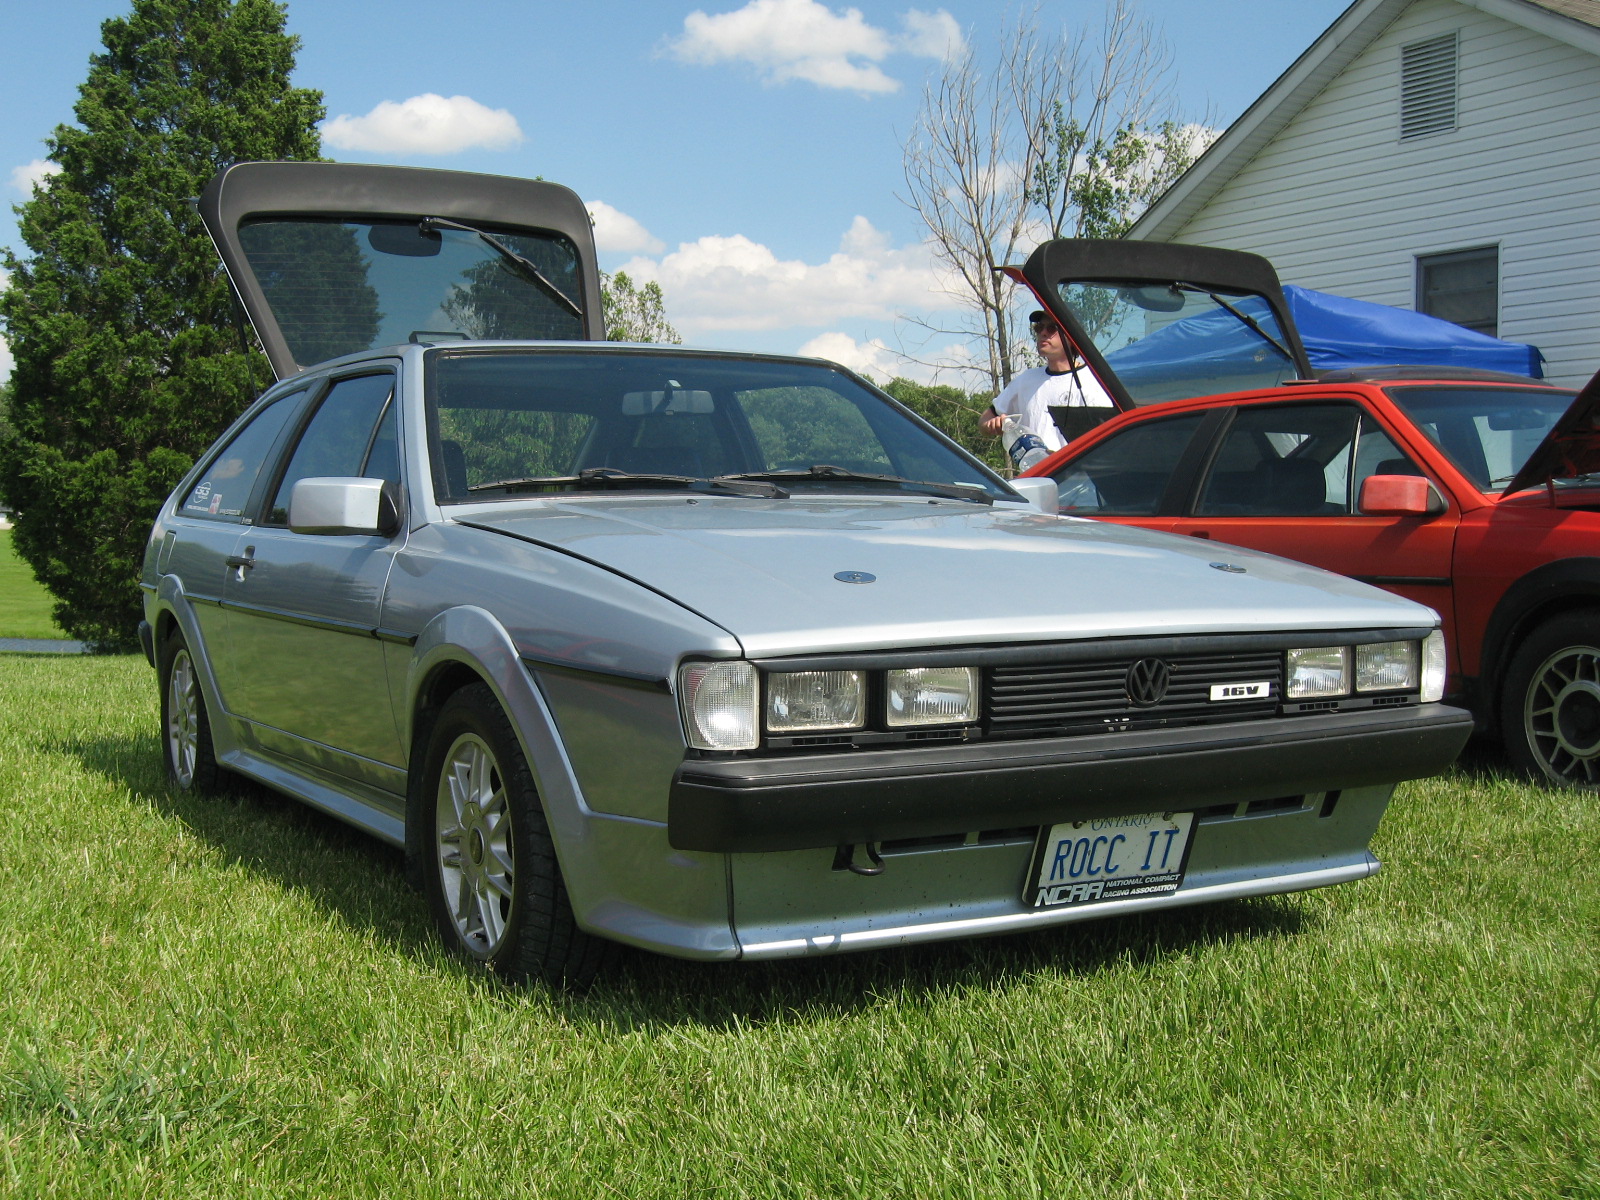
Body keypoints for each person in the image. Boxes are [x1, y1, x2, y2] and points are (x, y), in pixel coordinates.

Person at [981, 311, 1115, 452]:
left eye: (1052, 328)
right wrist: (993, 425)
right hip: (1039, 466)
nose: (1043, 333)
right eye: (1039, 327)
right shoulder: (1025, 380)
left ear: (1071, 336)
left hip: (1081, 465)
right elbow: (984, 420)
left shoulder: (1098, 380)